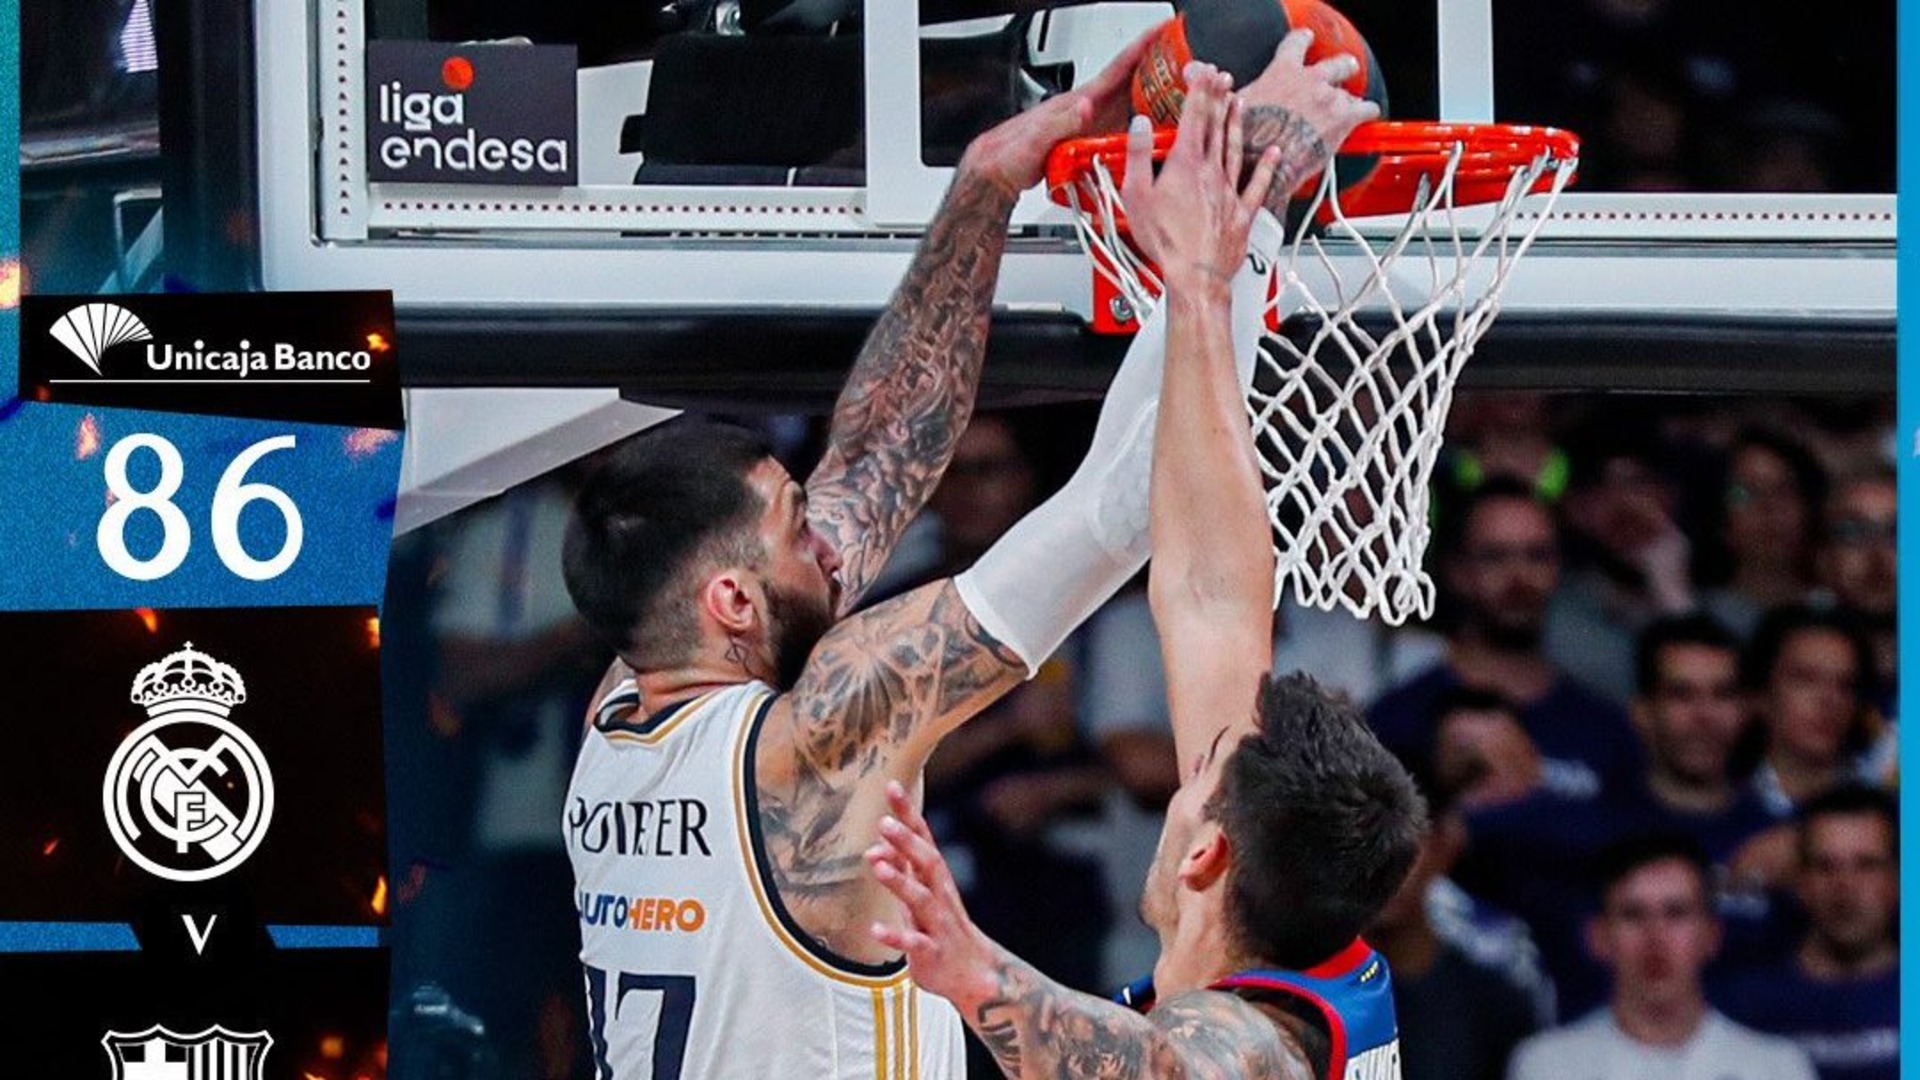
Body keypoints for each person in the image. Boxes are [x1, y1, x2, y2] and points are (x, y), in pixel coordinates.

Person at [559, 33, 1354, 1078]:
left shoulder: (621, 709)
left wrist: (986, 181)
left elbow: (879, 450)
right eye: (797, 528)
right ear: (733, 603)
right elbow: (1117, 511)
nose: (831, 538)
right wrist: (1243, 214)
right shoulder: (819, 735)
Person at [868, 53, 1423, 1078]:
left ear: (1208, 853)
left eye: (1198, 777)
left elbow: (1175, 1067)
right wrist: (1219, 262)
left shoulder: (1269, 1040)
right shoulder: (1300, 938)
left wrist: (976, 971)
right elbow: (1213, 594)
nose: (1191, 761)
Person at [1369, 477, 1642, 804]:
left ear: (1558, 568)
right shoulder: (1398, 719)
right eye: (1495, 556)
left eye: (1537, 555)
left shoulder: (1606, 728)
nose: (1519, 576)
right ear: (1457, 571)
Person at [1505, 836, 1815, 1080]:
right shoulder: (1550, 1066)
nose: (1656, 937)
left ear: (1711, 935)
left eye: (1676, 913)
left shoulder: (1775, 1068)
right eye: (1633, 915)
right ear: (1598, 937)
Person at [1715, 786, 1899, 1080]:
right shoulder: (1743, 1009)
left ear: (1898, 878)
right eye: (1824, 866)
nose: (1844, 887)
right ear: (1800, 882)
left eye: (1866, 865)